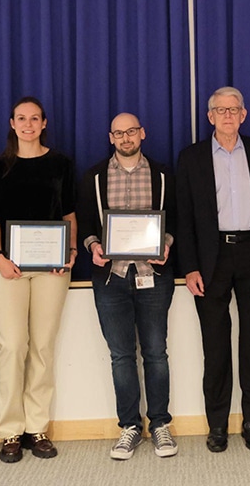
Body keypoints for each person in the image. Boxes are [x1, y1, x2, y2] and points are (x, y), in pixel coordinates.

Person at [176, 86, 250, 453]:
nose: (228, 116)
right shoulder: (191, 158)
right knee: (215, 344)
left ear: (244, 114)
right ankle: (217, 423)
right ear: (210, 117)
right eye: (220, 110)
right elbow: (184, 217)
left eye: (234, 109)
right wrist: (189, 267)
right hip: (211, 255)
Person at [77, 112, 178, 460]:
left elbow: (175, 218)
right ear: (111, 137)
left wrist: (166, 243)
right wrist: (93, 246)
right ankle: (130, 427)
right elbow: (87, 222)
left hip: (154, 275)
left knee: (155, 352)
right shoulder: (94, 176)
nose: (125, 138)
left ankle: (160, 424)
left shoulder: (164, 175)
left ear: (142, 133)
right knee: (121, 356)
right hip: (111, 277)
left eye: (131, 131)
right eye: (118, 133)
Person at [0, 97, 76, 463]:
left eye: (34, 118)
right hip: (10, 269)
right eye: (21, 118)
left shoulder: (61, 164)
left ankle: (37, 428)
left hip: (52, 269)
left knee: (42, 347)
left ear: (43, 123)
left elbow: (69, 213)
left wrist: (68, 253)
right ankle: (10, 432)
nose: (27, 124)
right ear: (12, 123)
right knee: (12, 347)